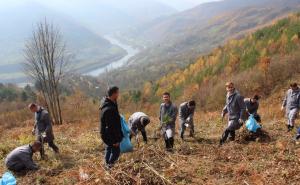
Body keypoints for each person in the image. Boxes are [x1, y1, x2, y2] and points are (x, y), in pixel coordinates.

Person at [100, 86, 123, 168]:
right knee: (116, 152)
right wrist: (115, 140)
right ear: (114, 94)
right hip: (109, 135)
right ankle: (109, 167)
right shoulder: (109, 109)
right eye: (117, 93)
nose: (118, 95)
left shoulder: (110, 102)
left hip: (106, 134)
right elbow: (111, 127)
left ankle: (106, 164)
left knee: (109, 149)